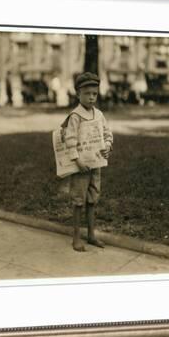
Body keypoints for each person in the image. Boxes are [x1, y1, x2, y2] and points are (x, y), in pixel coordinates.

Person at [62, 72, 113, 252]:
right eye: (87, 93)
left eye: (95, 94)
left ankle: (91, 234)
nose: (92, 97)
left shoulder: (98, 114)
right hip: (80, 166)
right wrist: (76, 159)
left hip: (96, 164)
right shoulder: (75, 116)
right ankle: (76, 237)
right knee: (78, 200)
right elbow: (70, 139)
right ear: (78, 94)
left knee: (93, 198)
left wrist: (107, 145)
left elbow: (107, 133)